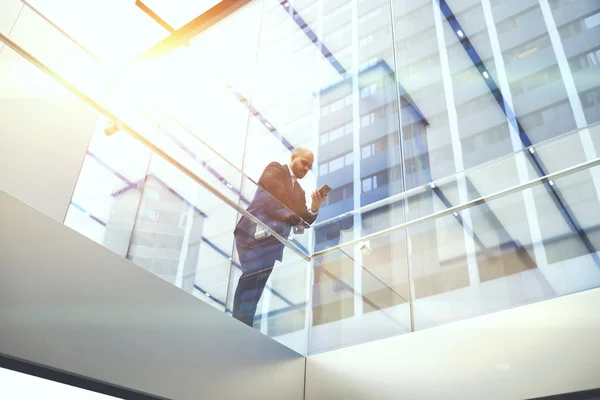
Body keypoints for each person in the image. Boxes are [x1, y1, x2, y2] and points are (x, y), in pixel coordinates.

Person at [233, 147, 327, 327]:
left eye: (309, 167)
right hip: (252, 233)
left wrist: (314, 208)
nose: (306, 169)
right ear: (293, 157)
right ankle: (238, 325)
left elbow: (302, 221)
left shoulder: (299, 191)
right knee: (251, 275)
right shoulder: (275, 169)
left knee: (257, 287)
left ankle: (245, 326)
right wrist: (296, 215)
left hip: (272, 242)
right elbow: (277, 197)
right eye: (304, 163)